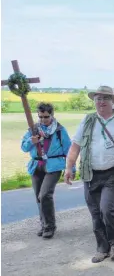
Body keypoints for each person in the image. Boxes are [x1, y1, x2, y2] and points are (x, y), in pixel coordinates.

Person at [65, 85, 114, 263]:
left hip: (113, 173)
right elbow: (75, 146)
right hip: (90, 174)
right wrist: (69, 167)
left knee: (108, 210)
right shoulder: (88, 120)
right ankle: (102, 248)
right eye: (98, 98)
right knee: (96, 213)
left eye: (105, 98)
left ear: (112, 101)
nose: (101, 102)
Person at [21, 102, 73, 239]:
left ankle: (50, 226)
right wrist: (31, 141)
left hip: (54, 166)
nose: (43, 120)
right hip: (36, 165)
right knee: (39, 197)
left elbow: (69, 150)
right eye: (40, 117)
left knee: (44, 195)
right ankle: (44, 224)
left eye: (46, 116)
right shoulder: (33, 130)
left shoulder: (60, 130)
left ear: (52, 115)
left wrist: (71, 168)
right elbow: (24, 147)